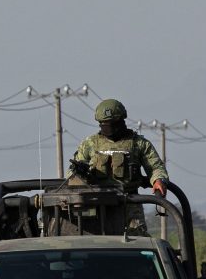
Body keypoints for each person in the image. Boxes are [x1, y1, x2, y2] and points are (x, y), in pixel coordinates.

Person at [67, 99, 169, 235]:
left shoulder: (138, 143)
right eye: (104, 124)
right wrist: (80, 174)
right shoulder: (90, 143)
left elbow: (155, 166)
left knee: (136, 240)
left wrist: (158, 180)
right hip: (97, 204)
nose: (108, 127)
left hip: (130, 202)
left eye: (112, 123)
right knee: (95, 242)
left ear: (121, 120)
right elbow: (71, 173)